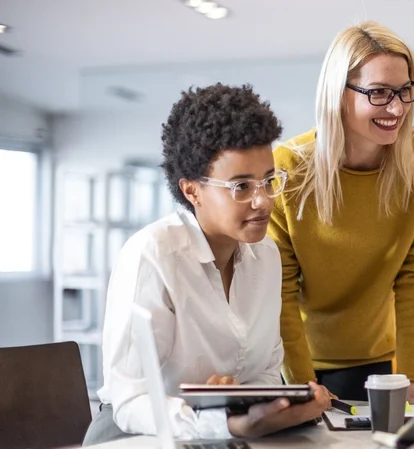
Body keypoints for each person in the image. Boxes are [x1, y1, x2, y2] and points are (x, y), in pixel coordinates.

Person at [82, 84, 330, 445]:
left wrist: (271, 405)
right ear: (191, 191)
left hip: (220, 436)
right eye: (241, 186)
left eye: (268, 181)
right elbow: (131, 399)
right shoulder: (152, 254)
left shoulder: (267, 257)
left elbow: (264, 371)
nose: (262, 201)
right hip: (136, 436)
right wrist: (224, 421)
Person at [268, 22, 414, 404]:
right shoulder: (287, 167)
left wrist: (411, 378)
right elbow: (279, 288)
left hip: (376, 365)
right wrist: (304, 384)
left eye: (404, 91)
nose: (397, 107)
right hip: (293, 363)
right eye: (379, 93)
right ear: (339, 95)